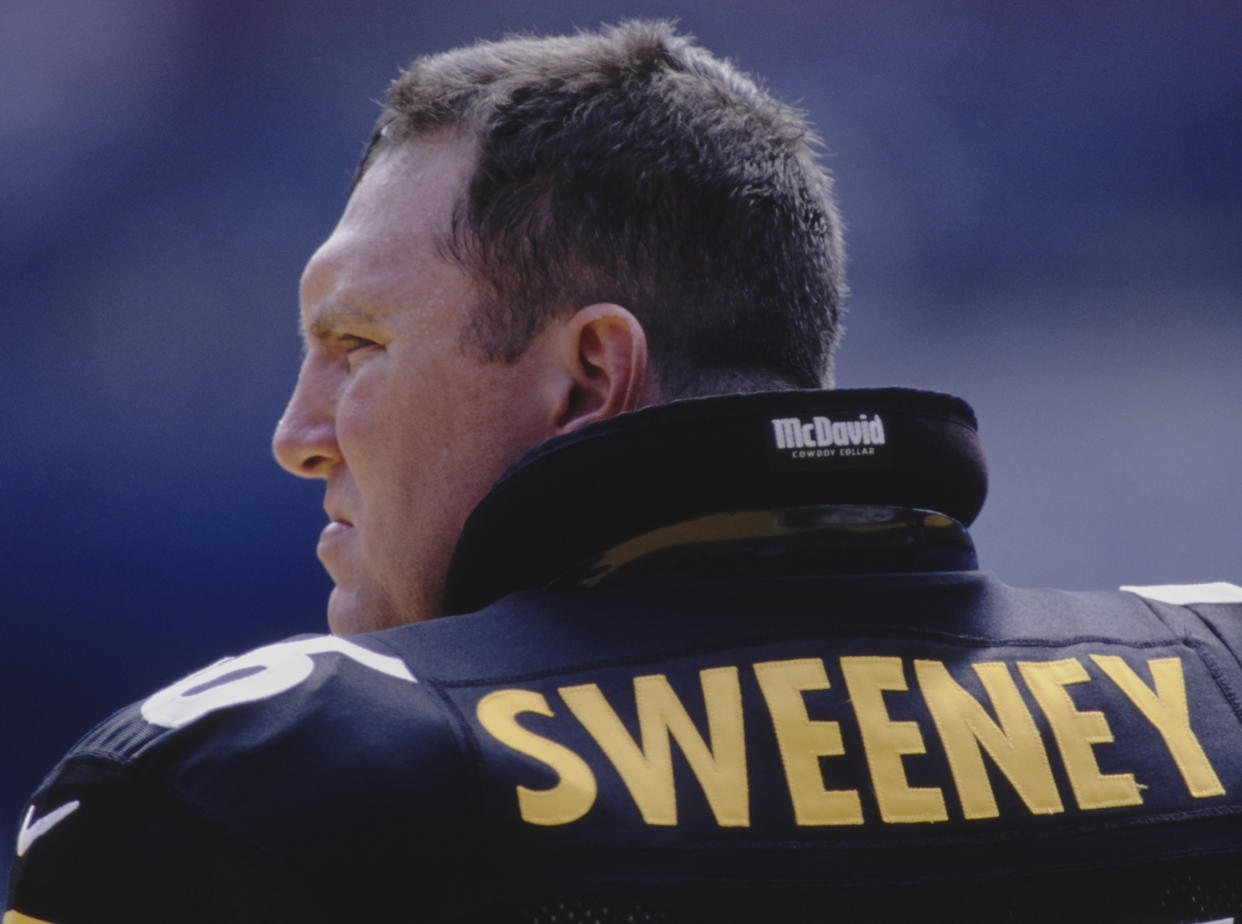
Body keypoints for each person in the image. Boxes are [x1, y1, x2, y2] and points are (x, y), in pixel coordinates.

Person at [7, 20, 1242, 924]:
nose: (299, 430)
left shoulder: (257, 782)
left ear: (593, 375)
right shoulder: (1217, 688)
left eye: (356, 346)